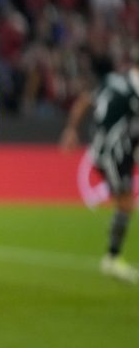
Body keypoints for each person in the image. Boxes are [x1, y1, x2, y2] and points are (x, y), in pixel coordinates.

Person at [87, 61, 139, 284]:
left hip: (111, 151)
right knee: (126, 201)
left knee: (125, 201)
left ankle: (112, 256)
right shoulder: (133, 90)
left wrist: (70, 128)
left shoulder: (112, 82)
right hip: (113, 153)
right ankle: (112, 257)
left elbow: (84, 101)